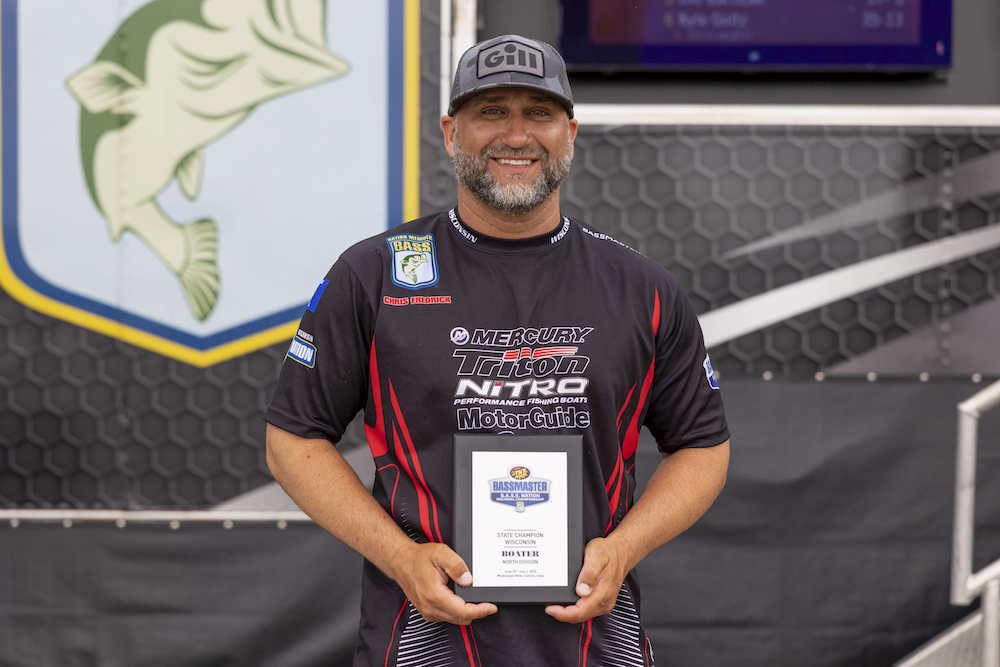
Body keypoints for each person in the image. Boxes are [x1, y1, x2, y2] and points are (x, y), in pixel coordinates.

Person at [265, 34, 730, 667]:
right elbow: (292, 440)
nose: (516, 135)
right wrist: (401, 558)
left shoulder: (640, 287)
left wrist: (626, 547)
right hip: (423, 645)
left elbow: (702, 447)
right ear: (451, 132)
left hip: (595, 647)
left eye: (539, 113)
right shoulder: (374, 275)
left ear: (570, 133)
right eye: (491, 112)